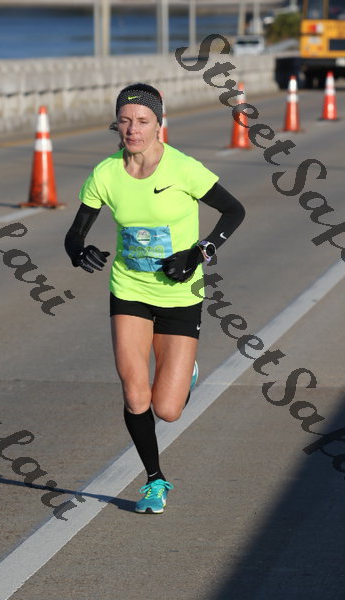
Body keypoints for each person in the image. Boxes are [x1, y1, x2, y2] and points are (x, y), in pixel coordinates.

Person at [65, 82, 245, 514]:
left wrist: (199, 252)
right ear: (117, 125)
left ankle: (185, 376)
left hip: (180, 296)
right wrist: (78, 252)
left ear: (159, 124)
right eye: (125, 121)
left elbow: (234, 211)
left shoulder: (183, 169)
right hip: (129, 291)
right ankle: (154, 479)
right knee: (135, 395)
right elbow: (75, 234)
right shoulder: (106, 174)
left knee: (167, 409)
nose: (133, 129)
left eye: (143, 121)